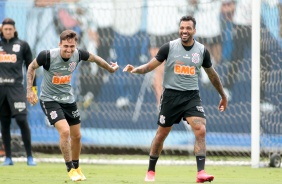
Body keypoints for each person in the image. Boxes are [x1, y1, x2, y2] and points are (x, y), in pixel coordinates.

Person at [123, 15, 227, 183]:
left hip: (191, 96)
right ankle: (151, 170)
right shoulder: (169, 47)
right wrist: (136, 70)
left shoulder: (201, 51)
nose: (184, 31)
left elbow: (212, 75)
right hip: (171, 96)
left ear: (194, 30)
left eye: (188, 28)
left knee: (200, 129)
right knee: (161, 134)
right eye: (182, 28)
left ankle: (201, 172)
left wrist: (222, 95)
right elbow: (150, 65)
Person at [26, 29, 119, 181]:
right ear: (59, 44)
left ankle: (77, 167)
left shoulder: (78, 54)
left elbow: (95, 58)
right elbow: (31, 67)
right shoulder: (47, 56)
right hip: (49, 100)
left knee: (77, 136)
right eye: (66, 46)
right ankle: (70, 169)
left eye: (72, 46)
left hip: (68, 100)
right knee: (64, 131)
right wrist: (30, 90)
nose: (69, 50)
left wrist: (109, 68)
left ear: (75, 46)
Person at [0, 18, 37, 166]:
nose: (8, 32)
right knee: (4, 123)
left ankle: (29, 156)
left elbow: (31, 68)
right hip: (1, 89)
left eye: (10, 29)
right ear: (2, 30)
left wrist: (33, 89)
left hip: (16, 88)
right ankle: (8, 158)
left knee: (22, 120)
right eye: (5, 29)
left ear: (14, 30)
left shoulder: (22, 45)